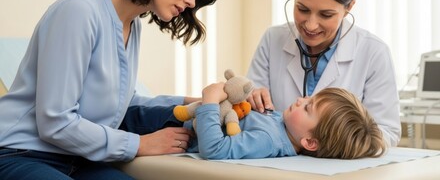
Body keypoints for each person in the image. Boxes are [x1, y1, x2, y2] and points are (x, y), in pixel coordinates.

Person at [0, 0, 222, 179]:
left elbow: (121, 103)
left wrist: (194, 102)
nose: (191, 1)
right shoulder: (79, 10)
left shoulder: (132, 24)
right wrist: (139, 144)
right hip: (20, 153)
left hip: (77, 157)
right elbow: (56, 121)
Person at [246, 0, 401, 147]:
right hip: (274, 163)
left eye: (326, 15)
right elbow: (250, 113)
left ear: (349, 7)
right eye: (302, 9)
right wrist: (250, 99)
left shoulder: (373, 52)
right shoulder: (273, 39)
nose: (310, 25)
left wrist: (328, 146)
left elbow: (387, 132)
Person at [121, 86, 386, 159]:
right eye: (309, 97)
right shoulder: (281, 126)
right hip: (179, 115)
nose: (300, 100)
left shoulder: (269, 141)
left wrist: (211, 102)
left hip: (170, 128)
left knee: (121, 118)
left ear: (310, 142)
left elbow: (216, 149)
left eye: (308, 107)